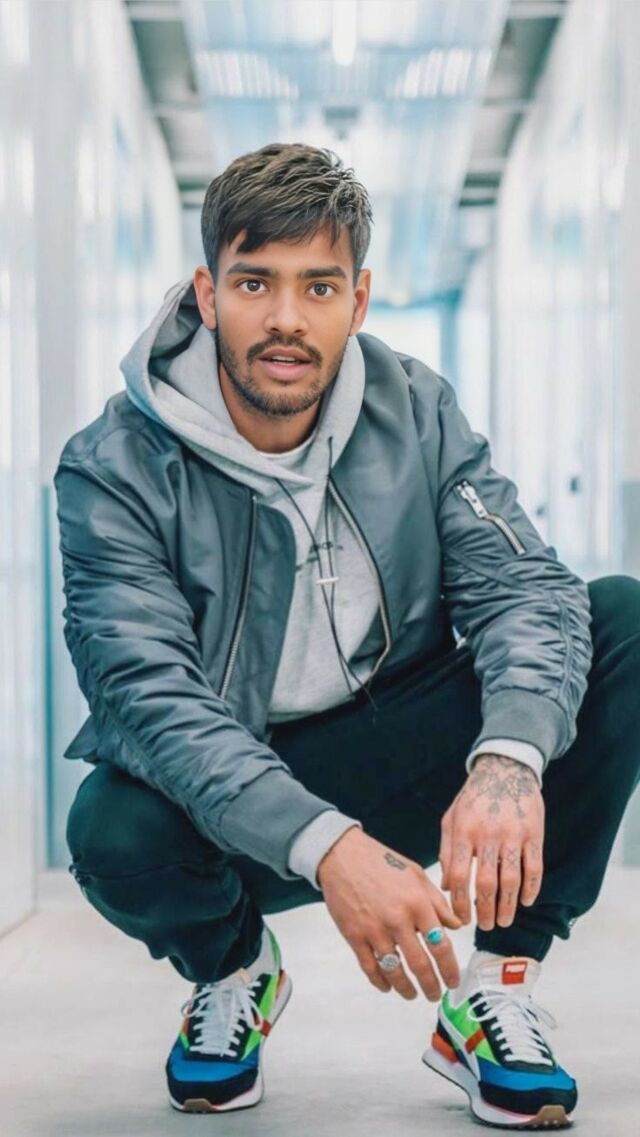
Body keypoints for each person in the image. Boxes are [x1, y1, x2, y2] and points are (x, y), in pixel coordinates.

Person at [55, 142, 640, 1129]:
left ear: (357, 301)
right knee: (113, 828)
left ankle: (495, 988)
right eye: (256, 282)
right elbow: (146, 696)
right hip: (235, 782)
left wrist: (508, 758)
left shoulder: (415, 408)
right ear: (207, 293)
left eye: (318, 286)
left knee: (619, 619)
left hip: (403, 732)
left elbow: (523, 587)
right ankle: (236, 968)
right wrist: (326, 846)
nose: (287, 318)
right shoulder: (113, 466)